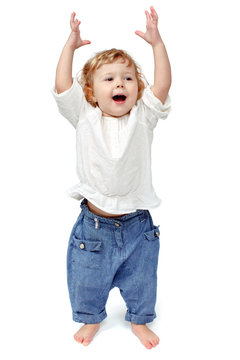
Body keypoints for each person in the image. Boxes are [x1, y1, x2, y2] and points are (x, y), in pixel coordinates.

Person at [52, 6, 171, 350]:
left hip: (138, 226)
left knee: (142, 280)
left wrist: (157, 44)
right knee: (86, 280)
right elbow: (62, 86)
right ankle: (91, 318)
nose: (120, 82)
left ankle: (138, 319)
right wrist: (70, 47)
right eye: (109, 78)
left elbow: (162, 84)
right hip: (94, 226)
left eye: (128, 78)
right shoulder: (84, 115)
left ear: (137, 89)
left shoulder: (144, 117)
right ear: (90, 91)